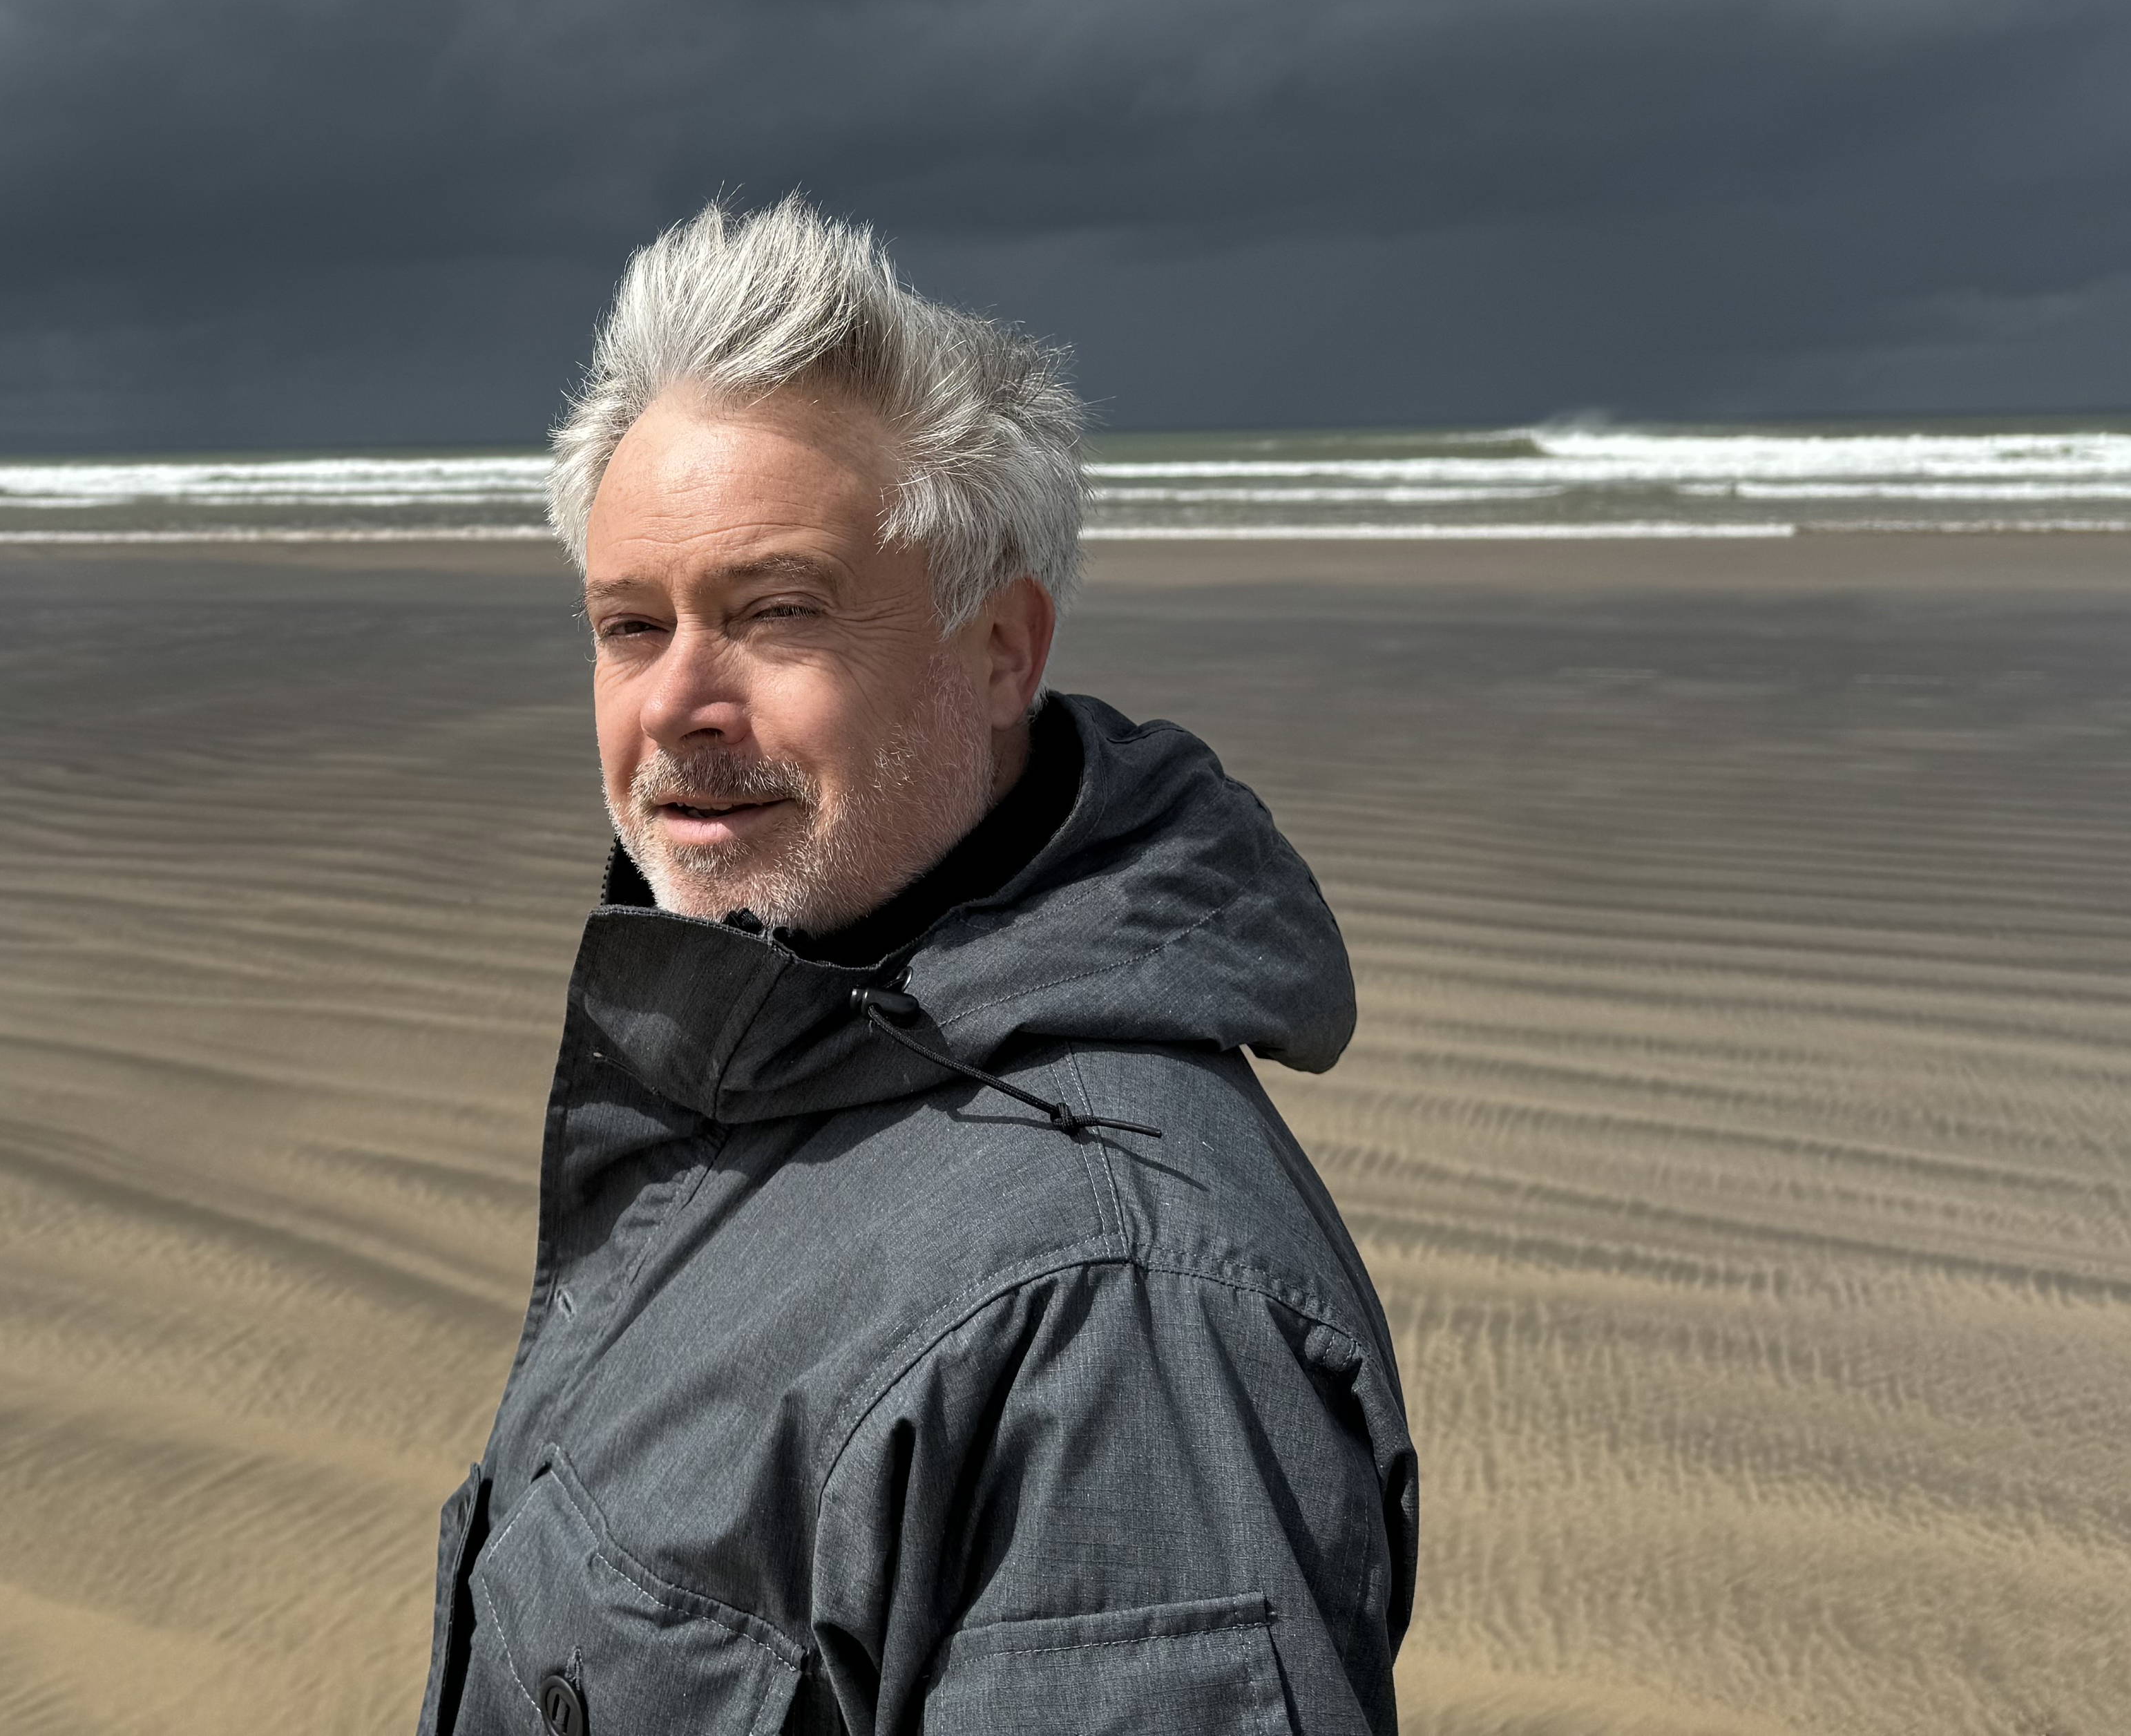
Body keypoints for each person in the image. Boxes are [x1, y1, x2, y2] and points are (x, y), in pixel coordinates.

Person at [414, 197, 1416, 1736]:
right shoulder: (776, 1046)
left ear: (1001, 650)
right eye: (629, 626)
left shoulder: (1117, 1308)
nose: (679, 700)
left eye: (778, 613)